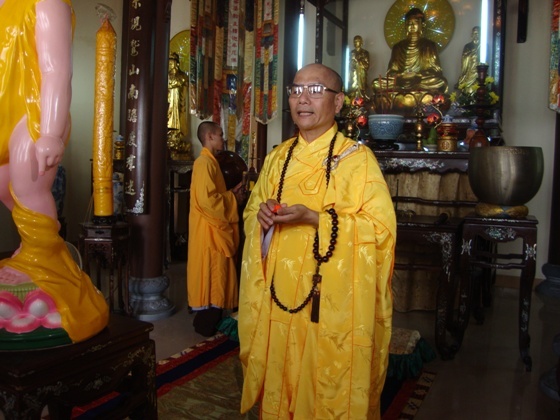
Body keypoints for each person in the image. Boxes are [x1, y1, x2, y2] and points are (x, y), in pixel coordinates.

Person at [238, 63, 396, 419]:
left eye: (314, 90)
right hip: (278, 296)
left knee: (322, 382)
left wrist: (317, 219)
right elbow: (251, 214)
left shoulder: (358, 161)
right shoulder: (277, 158)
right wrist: (261, 220)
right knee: (279, 376)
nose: (302, 100)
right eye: (296, 90)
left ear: (338, 103)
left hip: (328, 302)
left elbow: (380, 230)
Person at [0, 0, 108, 344]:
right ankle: (34, 250)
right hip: (5, 109)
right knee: (4, 188)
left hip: (33, 110)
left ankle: (42, 260)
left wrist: (49, 131)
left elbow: (56, 70)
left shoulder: (46, 3)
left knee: (28, 185)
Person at [187, 121, 245, 337]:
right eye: (220, 135)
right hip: (210, 232)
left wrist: (232, 193)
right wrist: (233, 199)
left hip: (214, 228)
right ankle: (205, 324)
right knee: (213, 276)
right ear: (210, 137)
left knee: (219, 275)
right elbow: (208, 202)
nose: (223, 138)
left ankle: (211, 321)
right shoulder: (203, 163)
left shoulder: (211, 162)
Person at [373, 7, 448, 93]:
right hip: (401, 81)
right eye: (409, 23)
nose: (412, 26)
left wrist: (417, 74)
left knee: (441, 82)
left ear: (422, 24)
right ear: (405, 25)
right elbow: (391, 72)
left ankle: (408, 91)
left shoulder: (429, 45)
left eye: (415, 22)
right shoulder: (397, 47)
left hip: (420, 80)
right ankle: (411, 91)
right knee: (376, 83)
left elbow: (436, 70)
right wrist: (401, 75)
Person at [167, 52, 191, 160]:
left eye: (172, 61)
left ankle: (177, 138)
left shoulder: (182, 76)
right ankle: (170, 137)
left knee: (178, 120)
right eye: (169, 61)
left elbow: (182, 82)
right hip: (168, 105)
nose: (170, 64)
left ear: (177, 63)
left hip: (178, 105)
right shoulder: (166, 76)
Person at [456, 26, 481, 94]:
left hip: (478, 71)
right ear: (472, 35)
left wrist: (477, 56)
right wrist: (471, 54)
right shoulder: (468, 46)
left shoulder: (483, 46)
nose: (476, 35)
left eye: (478, 33)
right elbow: (464, 58)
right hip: (469, 70)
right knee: (467, 88)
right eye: (474, 33)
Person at [350, 35, 370, 99]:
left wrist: (358, 60)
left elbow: (367, 66)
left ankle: (362, 96)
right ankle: (353, 97)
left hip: (361, 73)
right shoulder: (352, 53)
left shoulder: (365, 53)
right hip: (354, 74)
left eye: (357, 41)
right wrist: (352, 63)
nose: (356, 43)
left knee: (362, 87)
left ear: (361, 42)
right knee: (353, 87)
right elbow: (349, 65)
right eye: (354, 41)